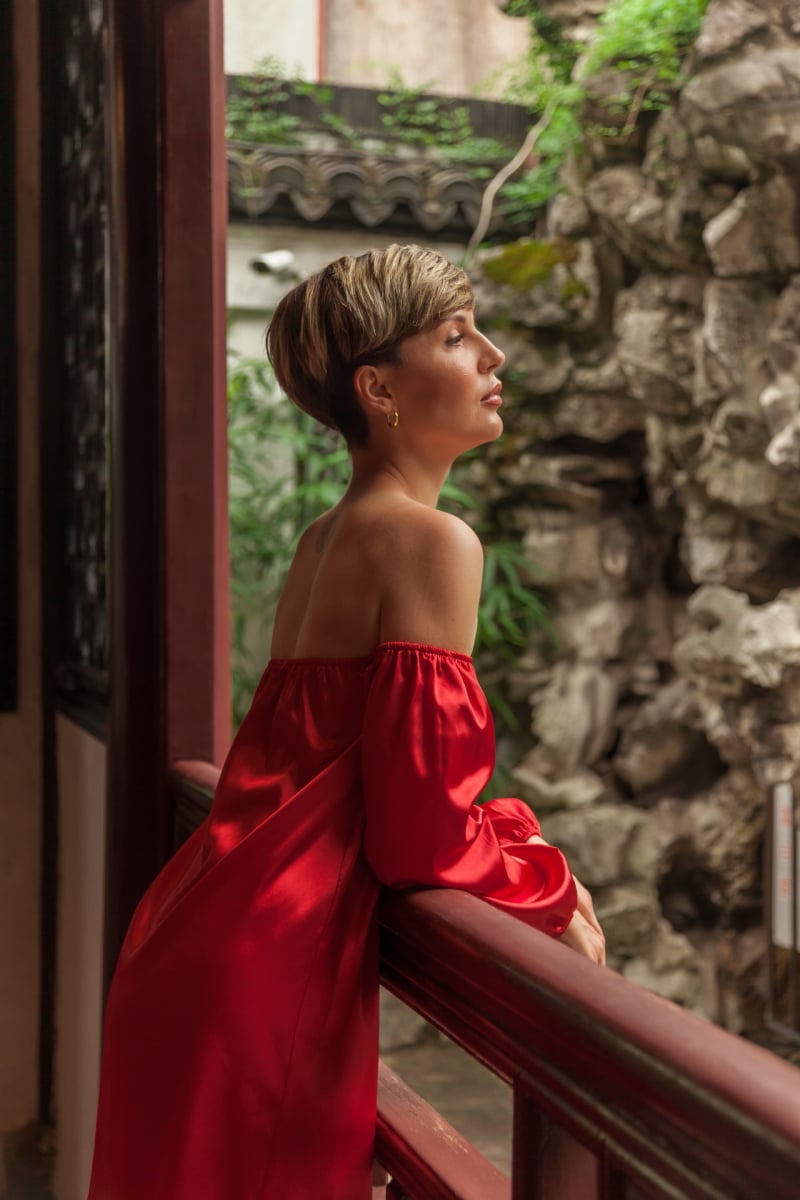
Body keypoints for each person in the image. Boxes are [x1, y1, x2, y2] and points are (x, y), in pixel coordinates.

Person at [87, 243, 604, 1200]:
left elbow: (342, 773)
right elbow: (416, 832)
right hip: (268, 976)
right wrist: (545, 880)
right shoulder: (434, 542)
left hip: (198, 935)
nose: (495, 356)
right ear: (379, 388)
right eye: (456, 336)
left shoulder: (326, 537)